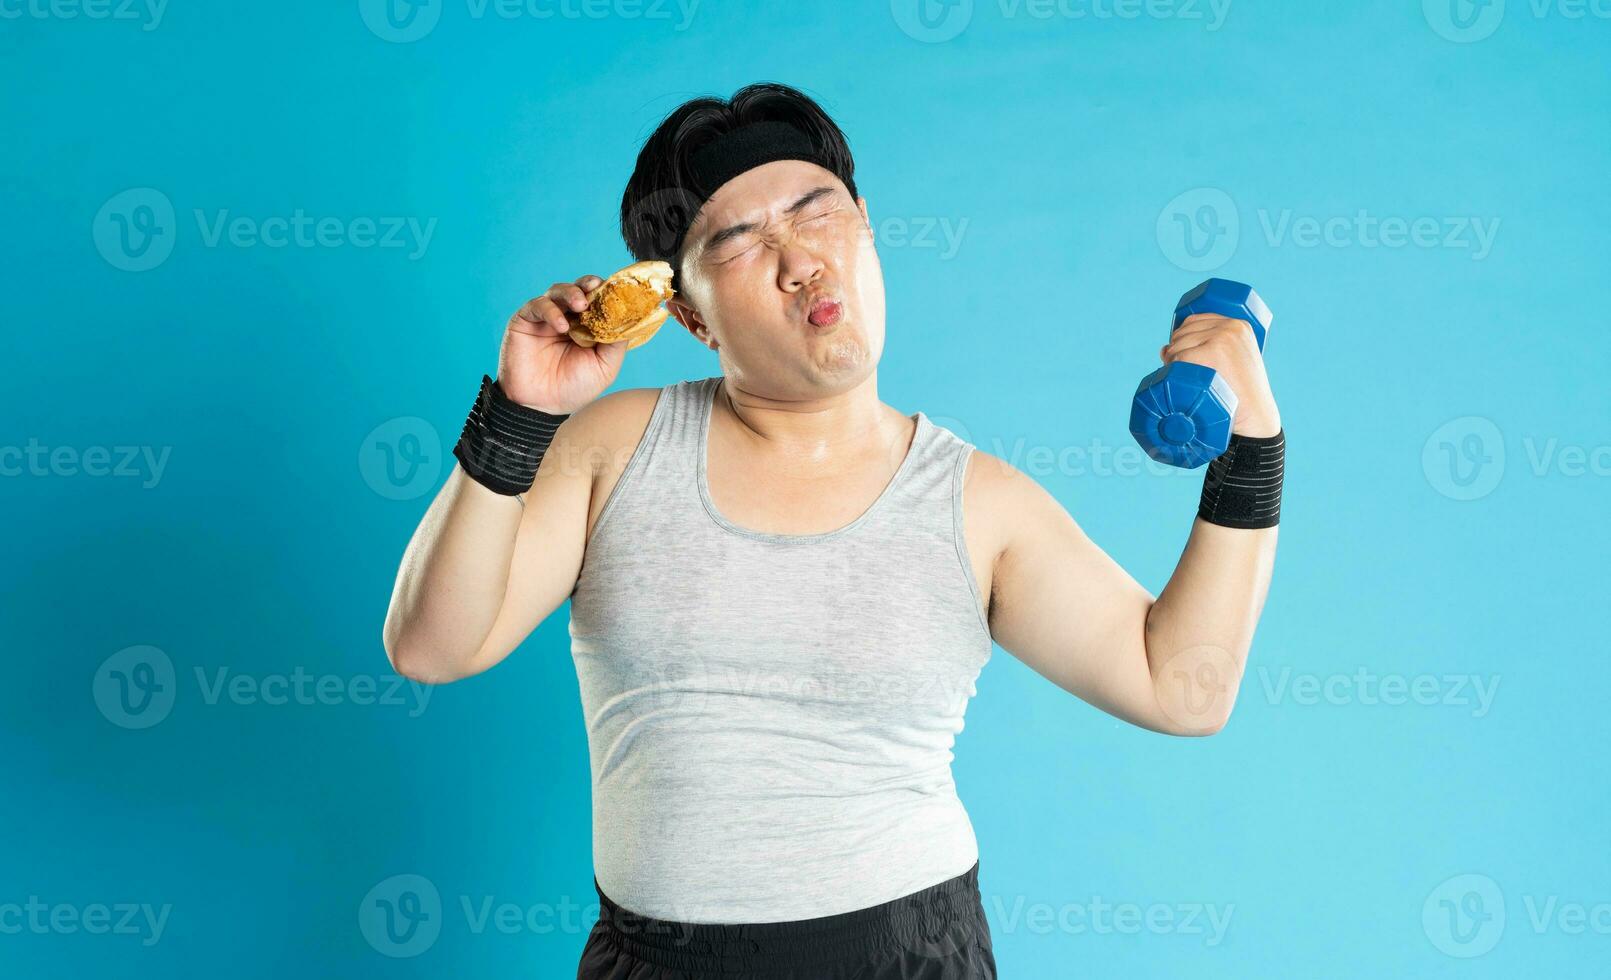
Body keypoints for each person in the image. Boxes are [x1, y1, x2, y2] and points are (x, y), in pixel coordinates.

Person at [380, 81, 1283, 980]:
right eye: (740, 242)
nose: (800, 260)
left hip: (906, 954)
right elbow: (431, 647)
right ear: (688, 316)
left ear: (867, 226)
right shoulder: (614, 448)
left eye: (817, 214)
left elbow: (1182, 690)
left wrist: (1252, 447)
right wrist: (517, 417)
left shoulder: (976, 501)